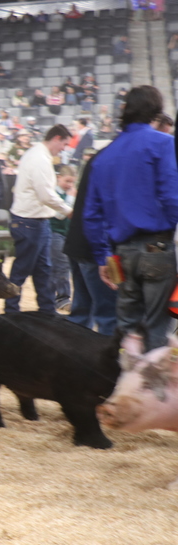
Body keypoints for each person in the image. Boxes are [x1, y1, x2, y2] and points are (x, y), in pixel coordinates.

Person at [85, 85, 178, 351]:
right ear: (156, 111)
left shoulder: (104, 156)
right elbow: (172, 196)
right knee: (158, 326)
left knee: (126, 327)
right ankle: (155, 390)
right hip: (157, 246)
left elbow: (92, 215)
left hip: (121, 253)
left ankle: (126, 385)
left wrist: (103, 256)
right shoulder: (162, 143)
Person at [4, 124, 73, 315]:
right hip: (30, 222)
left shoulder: (37, 155)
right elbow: (46, 195)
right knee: (22, 271)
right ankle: (11, 311)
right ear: (56, 138)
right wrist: (68, 211)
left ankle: (47, 310)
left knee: (44, 270)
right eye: (64, 144)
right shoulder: (39, 159)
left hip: (35, 221)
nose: (64, 149)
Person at [64, 152, 117, 334]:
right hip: (96, 247)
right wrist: (104, 253)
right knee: (109, 315)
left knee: (82, 311)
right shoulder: (116, 159)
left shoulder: (100, 157)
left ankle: (73, 358)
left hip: (79, 242)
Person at [49, 166, 77, 312]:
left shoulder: (67, 194)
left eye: (72, 182)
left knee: (62, 266)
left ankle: (57, 298)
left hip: (66, 234)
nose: (70, 185)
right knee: (61, 266)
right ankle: (62, 299)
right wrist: (72, 197)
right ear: (59, 177)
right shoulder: (54, 194)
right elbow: (59, 215)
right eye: (67, 181)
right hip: (54, 232)